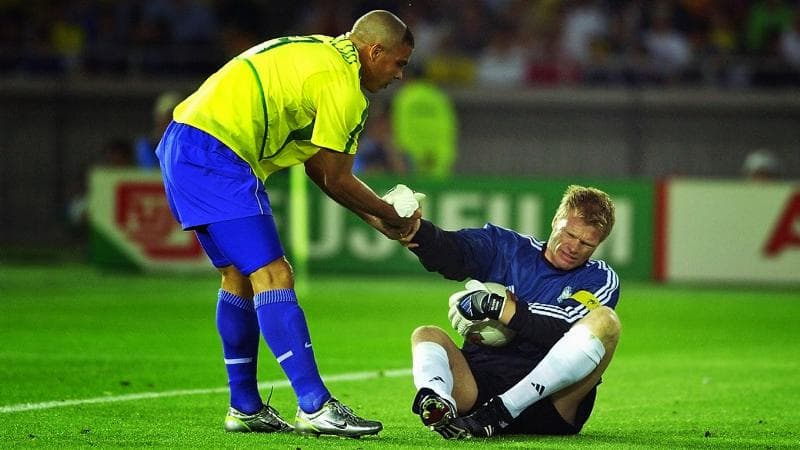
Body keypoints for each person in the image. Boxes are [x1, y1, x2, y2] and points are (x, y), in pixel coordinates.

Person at [155, 10, 416, 438]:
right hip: (218, 154)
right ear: (375, 51)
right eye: (399, 63)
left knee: (238, 277)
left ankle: (245, 408)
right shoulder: (343, 86)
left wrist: (376, 217)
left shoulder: (321, 53)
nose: (399, 76)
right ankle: (314, 405)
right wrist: (390, 215)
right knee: (275, 274)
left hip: (186, 141)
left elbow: (319, 166)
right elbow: (334, 176)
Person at [402, 185, 621, 439]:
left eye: (586, 243)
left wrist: (500, 307)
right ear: (555, 221)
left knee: (607, 321)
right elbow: (454, 253)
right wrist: (417, 231)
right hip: (478, 390)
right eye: (569, 234)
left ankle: (503, 411)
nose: (574, 247)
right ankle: (436, 401)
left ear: (599, 244)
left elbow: (565, 327)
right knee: (427, 334)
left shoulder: (599, 278)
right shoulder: (505, 247)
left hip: (553, 403)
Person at [134, 91, 183, 169]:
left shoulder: (189, 144)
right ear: (158, 117)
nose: (173, 121)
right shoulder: (145, 144)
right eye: (169, 116)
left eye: (177, 116)